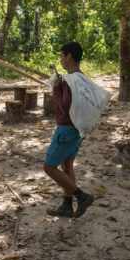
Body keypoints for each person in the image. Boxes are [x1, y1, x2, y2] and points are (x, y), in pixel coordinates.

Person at [44, 42, 94, 218]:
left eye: (62, 56)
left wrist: (56, 89)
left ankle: (82, 196)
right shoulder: (81, 78)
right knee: (67, 165)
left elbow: (66, 107)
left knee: (49, 167)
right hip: (77, 130)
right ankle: (66, 205)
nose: (60, 60)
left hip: (66, 130)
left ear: (69, 56)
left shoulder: (71, 80)